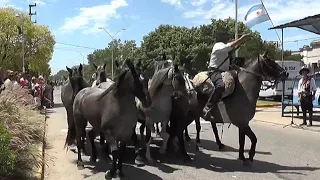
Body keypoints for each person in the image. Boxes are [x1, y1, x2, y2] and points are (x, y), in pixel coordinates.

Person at [203, 31, 251, 119]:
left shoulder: (223, 48)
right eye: (227, 37)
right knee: (220, 86)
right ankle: (208, 107)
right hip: (215, 72)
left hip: (225, 72)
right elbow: (228, 47)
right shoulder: (218, 45)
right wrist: (241, 40)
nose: (229, 39)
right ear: (223, 39)